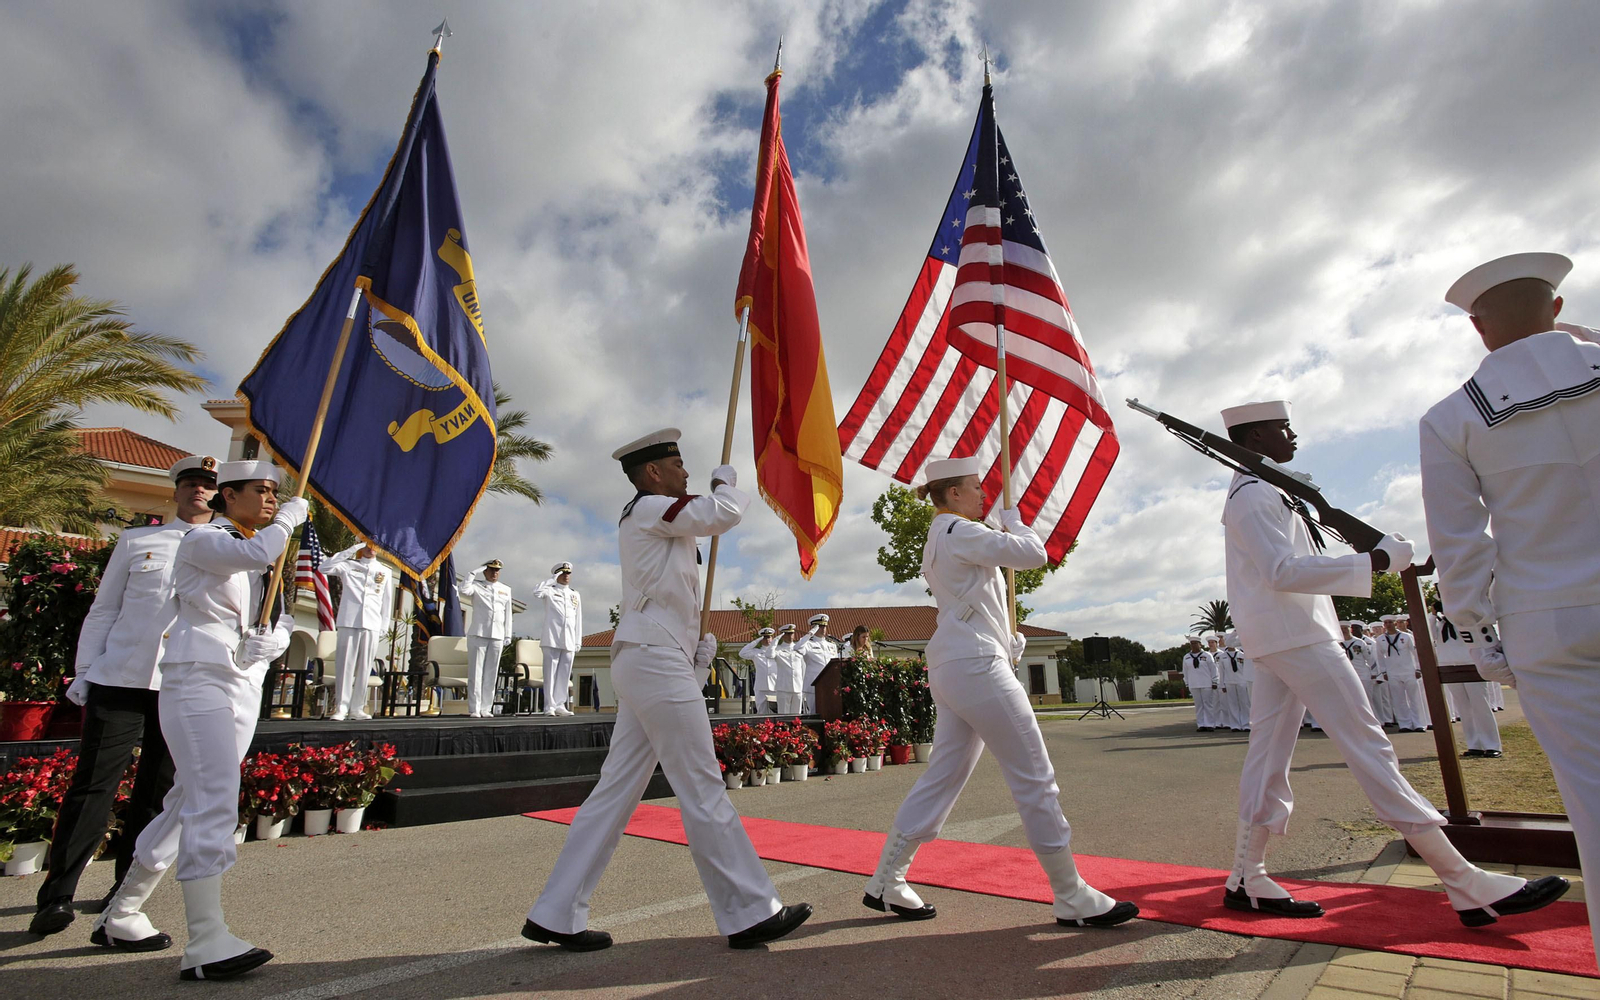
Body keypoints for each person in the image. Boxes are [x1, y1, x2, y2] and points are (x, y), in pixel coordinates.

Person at [1215, 399, 1565, 924]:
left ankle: (1247, 876)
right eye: (1283, 427)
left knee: (1267, 760)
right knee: (1370, 749)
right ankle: (1465, 881)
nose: (1294, 435)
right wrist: (1375, 561)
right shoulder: (1253, 494)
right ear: (1256, 437)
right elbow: (1281, 571)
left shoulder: (1263, 488)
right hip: (1297, 636)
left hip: (1283, 635)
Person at [524, 428, 811, 951]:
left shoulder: (656, 515)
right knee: (701, 784)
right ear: (653, 472)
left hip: (654, 655)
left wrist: (693, 657)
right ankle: (750, 911)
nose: (686, 471)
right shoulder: (650, 507)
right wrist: (724, 485)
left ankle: (556, 912)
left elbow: (671, 593)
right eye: (678, 464)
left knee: (615, 792)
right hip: (652, 658)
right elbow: (721, 513)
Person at [862, 456, 1137, 929]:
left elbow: (974, 599)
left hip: (958, 661)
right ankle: (1070, 893)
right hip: (974, 664)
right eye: (975, 487)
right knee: (1035, 777)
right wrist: (1017, 524)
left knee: (943, 776)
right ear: (952, 493)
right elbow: (1033, 555)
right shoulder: (960, 530)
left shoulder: (941, 536)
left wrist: (1003, 638)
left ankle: (888, 880)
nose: (984, 494)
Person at [1423, 251, 1598, 951]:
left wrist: (1478, 636)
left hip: (1545, 621)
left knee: (1592, 804)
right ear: (1557, 309)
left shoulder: (1450, 417)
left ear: (1476, 326)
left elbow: (1460, 547)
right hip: (1545, 622)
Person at [92, 460, 307, 980]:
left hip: (242, 682)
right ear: (227, 496)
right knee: (213, 798)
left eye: (275, 493)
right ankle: (207, 941)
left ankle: (121, 913)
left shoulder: (261, 554)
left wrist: (274, 640)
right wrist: (287, 520)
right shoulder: (205, 539)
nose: (271, 499)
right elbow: (253, 554)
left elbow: (279, 614)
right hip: (197, 678)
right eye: (261, 490)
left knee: (186, 800)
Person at [29, 457, 217, 938]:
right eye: (190, 483)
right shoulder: (137, 541)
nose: (199, 490)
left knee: (155, 793)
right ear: (176, 491)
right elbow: (104, 609)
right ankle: (57, 897)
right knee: (94, 785)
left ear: (222, 496)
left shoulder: (228, 548)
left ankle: (121, 896)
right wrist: (84, 671)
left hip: (181, 684)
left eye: (208, 485)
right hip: (121, 679)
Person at [320, 542, 397, 721]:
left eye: (373, 545)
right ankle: (341, 707)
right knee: (345, 665)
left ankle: (357, 708)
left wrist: (383, 626)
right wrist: (351, 550)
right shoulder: (348, 565)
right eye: (367, 545)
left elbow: (387, 601)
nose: (370, 548)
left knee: (365, 667)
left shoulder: (384, 570)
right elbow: (324, 568)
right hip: (349, 621)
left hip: (372, 623)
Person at [1428, 601, 1501, 759]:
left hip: (1470, 664)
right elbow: (1427, 635)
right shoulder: (1438, 624)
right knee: (1464, 709)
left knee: (1481, 705)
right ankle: (1474, 744)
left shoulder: (1465, 621)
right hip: (1449, 666)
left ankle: (1492, 745)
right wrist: (1433, 615)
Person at [461, 559, 514, 718]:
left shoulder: (505, 589)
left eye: (497, 570)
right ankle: (475, 708)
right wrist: (473, 573)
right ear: (485, 571)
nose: (494, 573)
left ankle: (486, 707)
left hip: (497, 635)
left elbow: (508, 614)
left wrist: (507, 634)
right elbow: (463, 590)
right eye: (491, 570)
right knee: (476, 673)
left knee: (491, 673)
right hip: (479, 633)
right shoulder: (476, 586)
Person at [533, 561, 582, 716]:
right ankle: (549, 705)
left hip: (569, 638)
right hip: (552, 637)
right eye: (563, 573)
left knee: (564, 673)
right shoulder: (549, 590)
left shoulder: (575, 594)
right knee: (550, 673)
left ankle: (560, 704)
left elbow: (578, 619)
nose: (566, 576)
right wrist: (551, 580)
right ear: (557, 575)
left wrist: (577, 640)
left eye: (568, 573)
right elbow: (536, 592)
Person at [1376, 616, 1426, 732]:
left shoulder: (1406, 636)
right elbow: (1380, 657)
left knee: (1415, 698)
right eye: (1386, 623)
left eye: (1390, 622)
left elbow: (1415, 653)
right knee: (1399, 700)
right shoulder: (1380, 639)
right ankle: (1405, 724)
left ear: (1395, 624)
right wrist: (1383, 671)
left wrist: (1418, 669)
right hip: (1392, 672)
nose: (1388, 624)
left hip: (1409, 671)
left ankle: (1419, 724)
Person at [797, 612, 837, 713]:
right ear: (814, 627)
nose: (823, 629)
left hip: (830, 684)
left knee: (830, 712)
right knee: (814, 713)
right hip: (813, 686)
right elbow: (797, 648)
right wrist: (810, 634)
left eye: (824, 626)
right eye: (820, 627)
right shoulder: (808, 644)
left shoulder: (832, 645)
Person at [1182, 636, 1218, 731]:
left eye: (1195, 643)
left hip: (1206, 683)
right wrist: (1187, 683)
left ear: (1200, 644)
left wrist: (1215, 681)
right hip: (1194, 684)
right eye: (1192, 644)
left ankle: (1210, 724)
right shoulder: (1187, 657)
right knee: (1198, 705)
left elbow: (1213, 669)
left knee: (1208, 704)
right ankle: (1201, 724)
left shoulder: (1207, 655)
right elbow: (1185, 671)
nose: (1194, 645)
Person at [738, 627, 778, 713]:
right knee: (762, 712)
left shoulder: (777, 652)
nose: (767, 640)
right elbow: (742, 653)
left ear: (772, 638)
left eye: (769, 637)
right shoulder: (756, 652)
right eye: (764, 637)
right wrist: (756, 641)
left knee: (777, 712)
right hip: (761, 686)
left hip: (775, 685)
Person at [1215, 635, 1249, 732]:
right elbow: (1221, 672)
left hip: (1241, 681)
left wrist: (1247, 682)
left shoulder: (1242, 654)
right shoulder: (1222, 656)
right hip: (1229, 682)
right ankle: (1235, 725)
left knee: (1244, 703)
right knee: (1232, 704)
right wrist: (1222, 684)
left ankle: (1246, 724)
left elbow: (1246, 670)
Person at [770, 623, 804, 714]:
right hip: (783, 687)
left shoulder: (799, 649)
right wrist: (775, 641)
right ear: (783, 635)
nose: (790, 636)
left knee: (797, 715)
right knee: (783, 715)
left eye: (791, 633)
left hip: (798, 687)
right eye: (787, 634)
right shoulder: (777, 649)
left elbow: (803, 668)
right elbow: (769, 655)